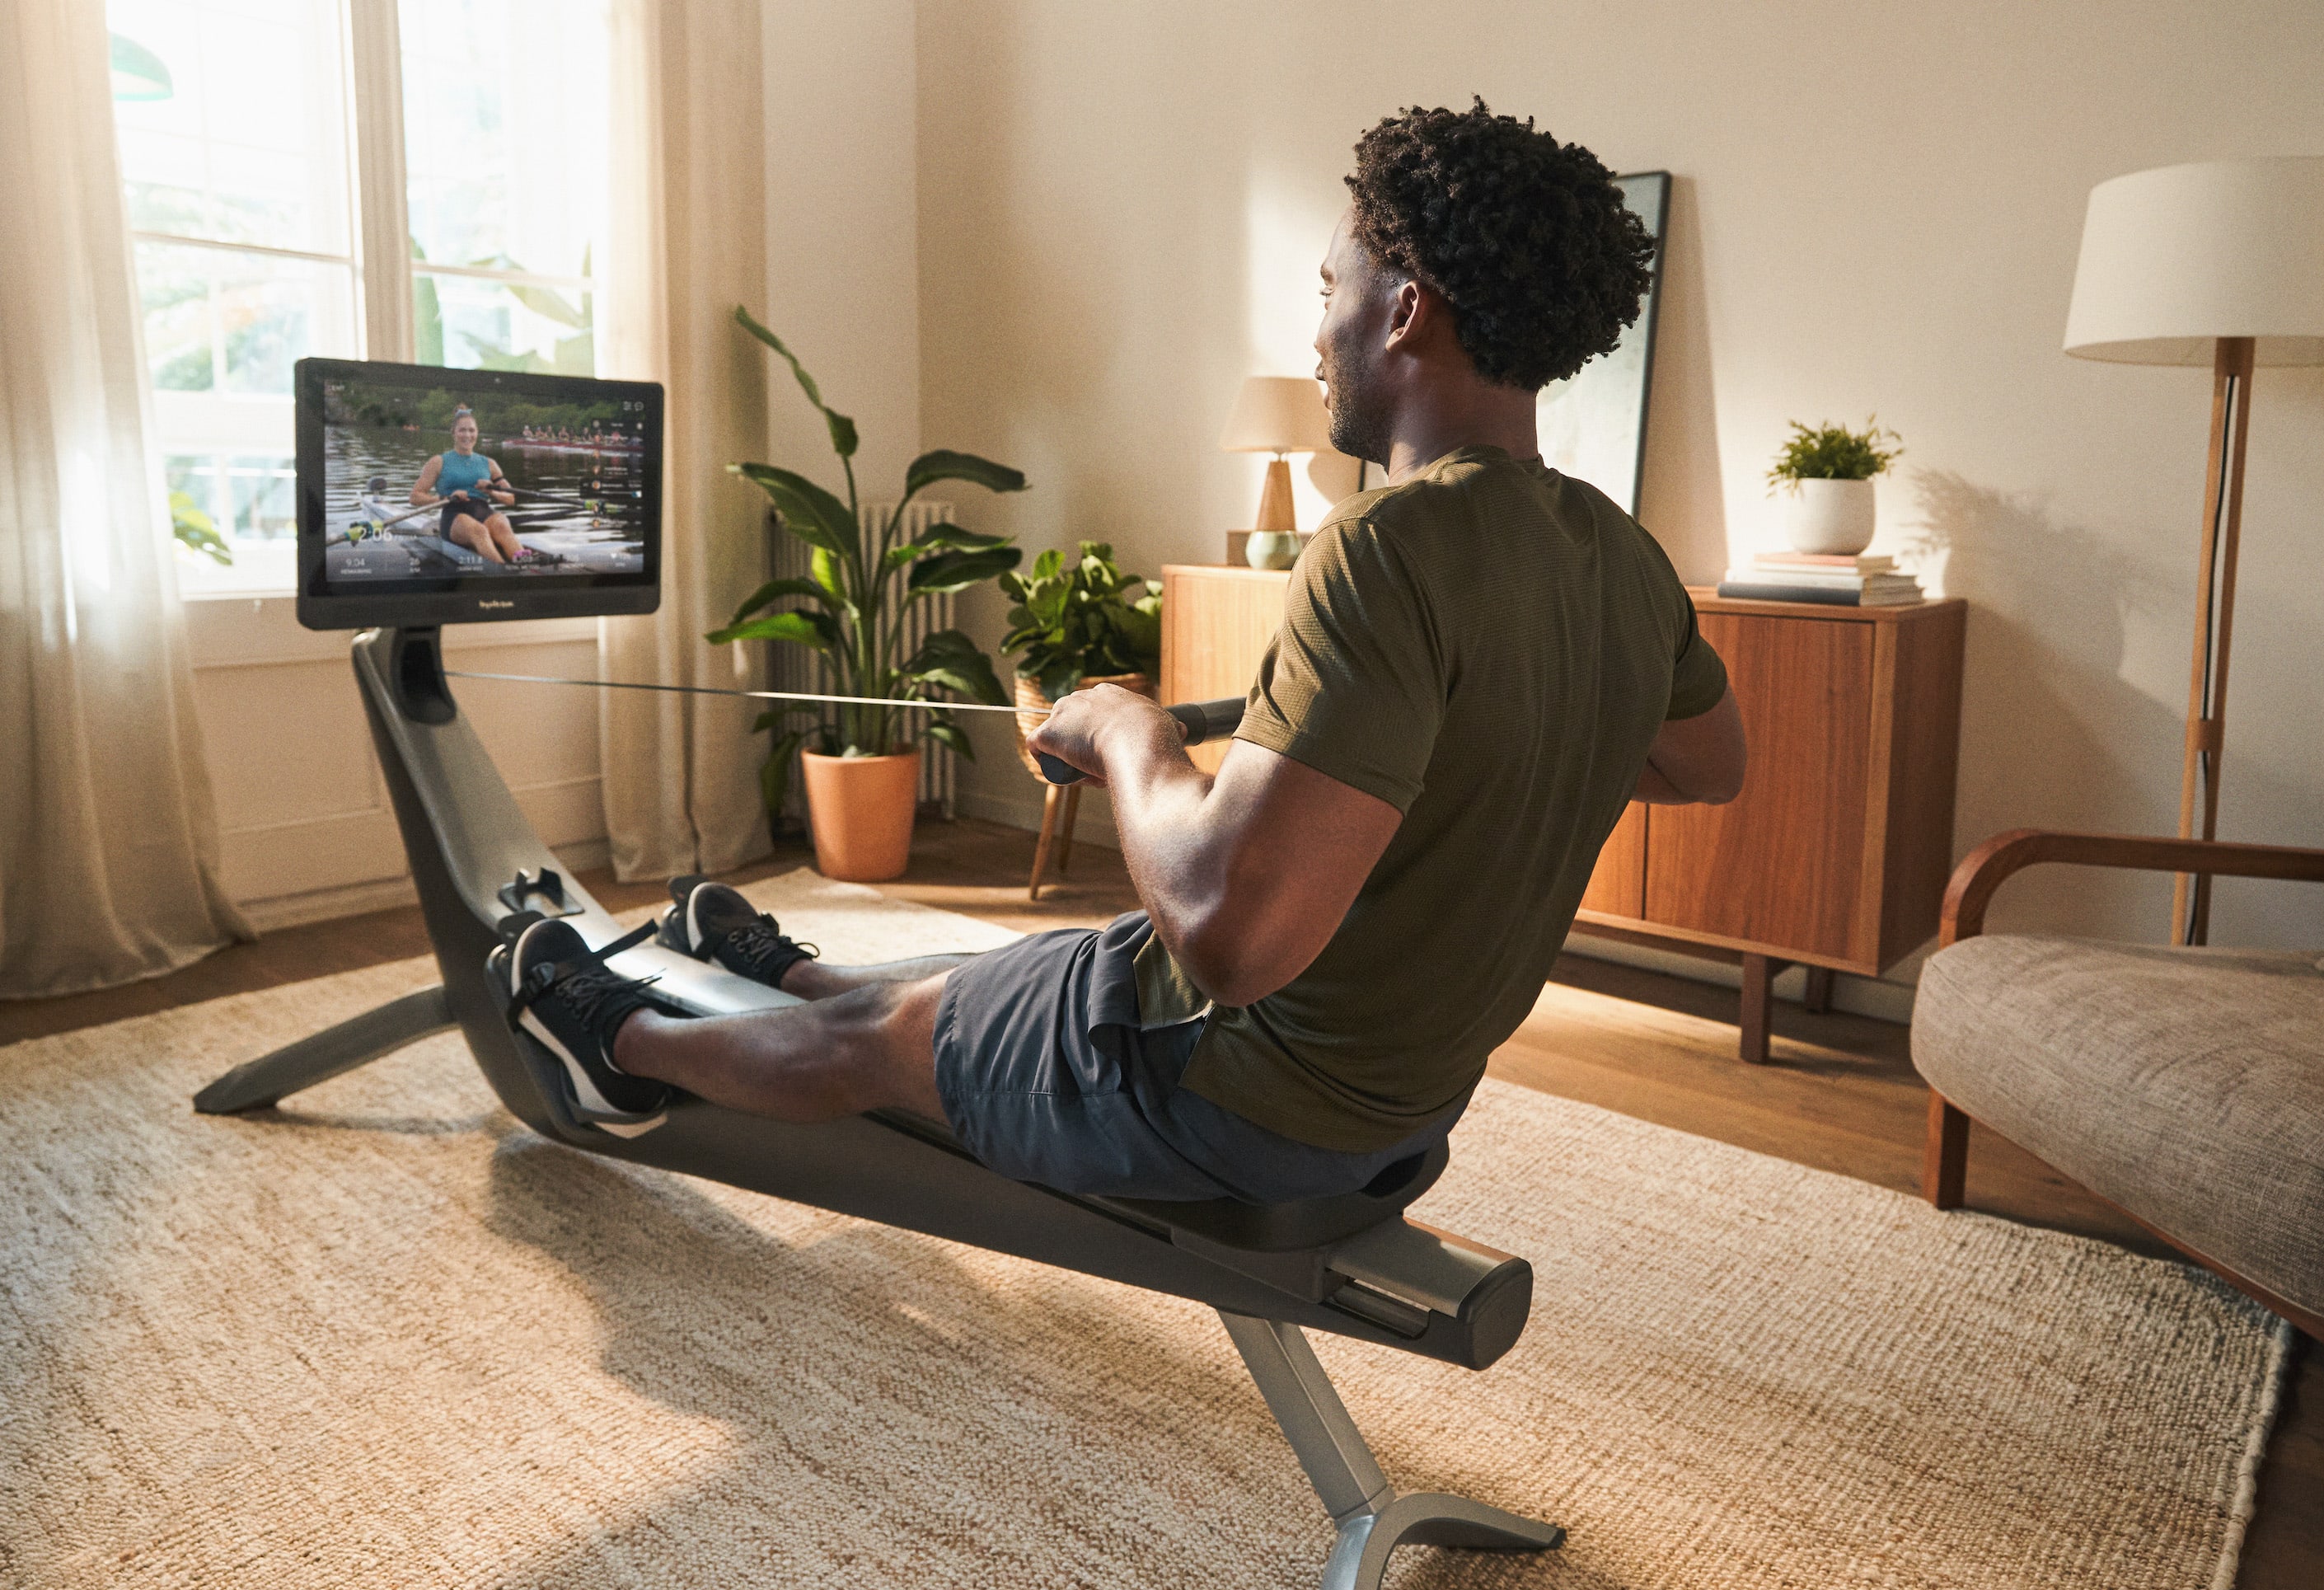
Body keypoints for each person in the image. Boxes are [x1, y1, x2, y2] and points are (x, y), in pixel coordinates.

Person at [505, 101, 1749, 1203]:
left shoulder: (1387, 547)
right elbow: (1709, 764)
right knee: (1049, 963)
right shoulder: (1624, 560)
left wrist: (1122, 727)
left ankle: (612, 1047)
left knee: (882, 1047)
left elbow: (1221, 931)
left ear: (1407, 309)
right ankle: (797, 969)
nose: (1321, 333)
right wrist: (1478, 755)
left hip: (1235, 1100)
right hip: (1400, 1105)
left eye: (1332, 292)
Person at [411, 410, 522, 565]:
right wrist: (446, 498)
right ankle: (503, 574)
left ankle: (525, 563)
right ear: (453, 433)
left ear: (477, 433)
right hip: (454, 514)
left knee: (502, 523)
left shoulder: (490, 463)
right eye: (462, 430)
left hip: (484, 511)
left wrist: (491, 491)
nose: (467, 435)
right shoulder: (438, 461)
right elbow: (415, 496)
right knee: (479, 531)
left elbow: (510, 499)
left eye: (471, 430)